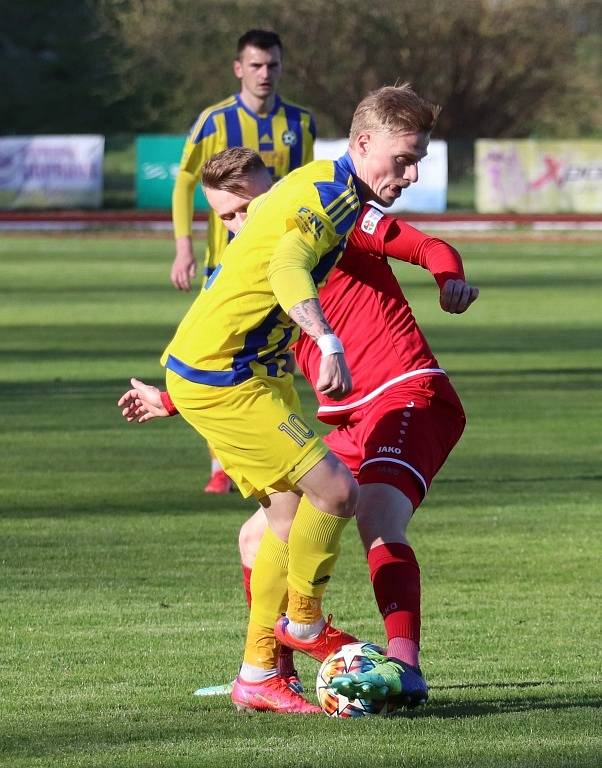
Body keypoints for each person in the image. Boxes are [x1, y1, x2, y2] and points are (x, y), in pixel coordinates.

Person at [119, 148, 479, 711]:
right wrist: (172, 398)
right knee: (258, 535)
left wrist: (449, 278)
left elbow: (431, 246)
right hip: (348, 418)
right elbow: (249, 356)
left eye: (247, 207)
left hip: (406, 393)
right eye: (226, 218)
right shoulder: (256, 261)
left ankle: (403, 665)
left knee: (375, 512)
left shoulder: (334, 220)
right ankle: (267, 669)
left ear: (275, 190)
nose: (240, 224)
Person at [171, 28, 316, 495]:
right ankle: (223, 465)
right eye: (256, 65)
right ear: (238, 68)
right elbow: (184, 181)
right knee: (220, 360)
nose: (265, 73)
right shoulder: (214, 121)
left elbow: (304, 186)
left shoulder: (300, 122)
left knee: (275, 355)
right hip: (225, 263)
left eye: (273, 64)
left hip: (284, 262)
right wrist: (183, 245)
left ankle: (280, 451)